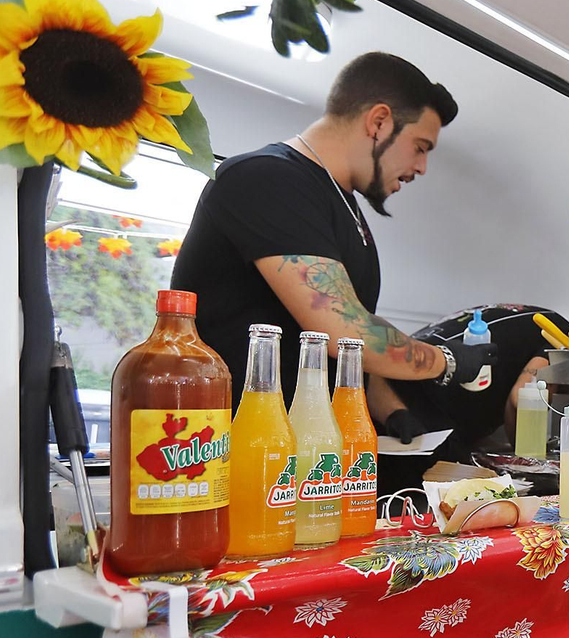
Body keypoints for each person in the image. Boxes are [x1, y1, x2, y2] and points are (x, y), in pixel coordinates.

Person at [172, 52, 493, 410]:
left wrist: (391, 412)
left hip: (301, 446)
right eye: (420, 148)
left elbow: (351, 331)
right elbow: (345, 332)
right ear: (380, 122)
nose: (421, 167)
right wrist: (447, 360)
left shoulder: (341, 202)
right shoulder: (267, 179)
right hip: (227, 445)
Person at [371, 303, 569, 496]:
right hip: (429, 424)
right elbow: (524, 398)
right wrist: (533, 463)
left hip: (380, 398)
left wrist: (394, 413)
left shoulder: (520, 316)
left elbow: (372, 362)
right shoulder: (563, 342)